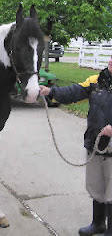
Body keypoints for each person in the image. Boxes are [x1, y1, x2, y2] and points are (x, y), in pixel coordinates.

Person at [40, 56, 112, 236]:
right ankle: (98, 224)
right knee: (96, 186)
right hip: (95, 144)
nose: (111, 60)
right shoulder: (97, 80)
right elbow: (75, 92)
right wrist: (51, 92)